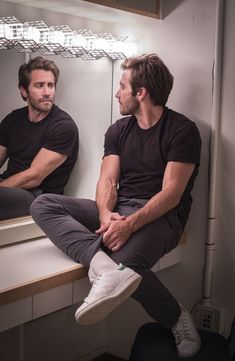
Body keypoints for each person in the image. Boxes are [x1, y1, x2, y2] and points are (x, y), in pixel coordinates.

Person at [30, 54, 202, 358]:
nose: (117, 93)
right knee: (44, 204)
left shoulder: (182, 130)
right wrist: (105, 214)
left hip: (163, 217)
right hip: (120, 209)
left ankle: (176, 317)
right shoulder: (118, 130)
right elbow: (107, 181)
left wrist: (129, 225)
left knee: (127, 261)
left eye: (122, 86)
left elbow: (171, 194)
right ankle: (101, 265)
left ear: (141, 92)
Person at [0, 56, 79, 220]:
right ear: (24, 90)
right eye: (39, 85)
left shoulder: (63, 126)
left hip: (37, 197)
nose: (47, 92)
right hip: (9, 189)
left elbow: (34, 177)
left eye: (51, 85)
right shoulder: (13, 119)